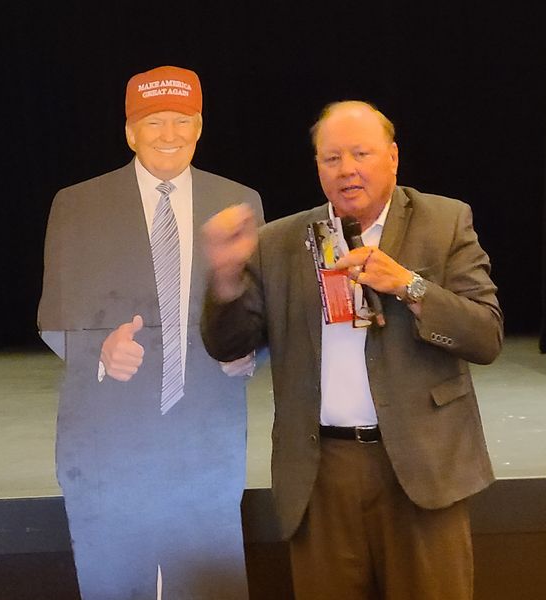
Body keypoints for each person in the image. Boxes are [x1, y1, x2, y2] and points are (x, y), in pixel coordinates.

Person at [201, 100, 503, 600]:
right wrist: (226, 277)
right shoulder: (278, 242)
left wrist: (409, 285)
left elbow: (486, 336)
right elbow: (226, 344)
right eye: (331, 158)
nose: (347, 169)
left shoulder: (445, 221)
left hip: (422, 469)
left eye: (360, 153)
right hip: (321, 475)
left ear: (393, 158)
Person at [38, 65, 264, 600]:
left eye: (181, 120)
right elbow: (54, 319)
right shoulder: (78, 206)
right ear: (129, 132)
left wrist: (250, 353)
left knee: (211, 589)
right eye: (154, 121)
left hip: (207, 443)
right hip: (110, 446)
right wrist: (100, 354)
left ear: (200, 125)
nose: (169, 134)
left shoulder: (239, 203)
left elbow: (259, 314)